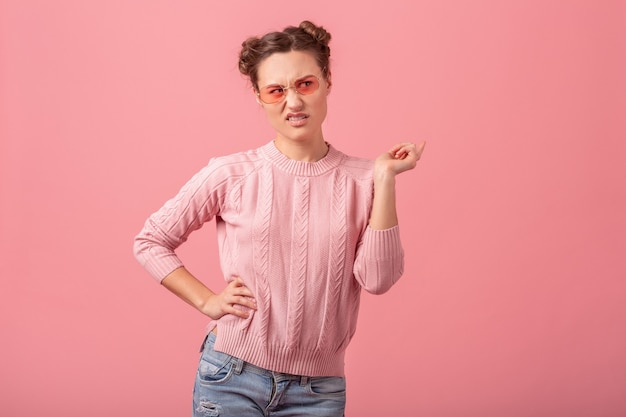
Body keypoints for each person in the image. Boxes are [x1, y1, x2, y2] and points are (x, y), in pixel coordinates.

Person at [134, 20, 425, 417]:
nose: (293, 102)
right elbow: (151, 241)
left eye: (305, 84)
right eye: (276, 90)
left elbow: (378, 279)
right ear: (259, 96)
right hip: (230, 376)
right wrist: (207, 300)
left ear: (327, 82)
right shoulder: (231, 173)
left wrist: (385, 178)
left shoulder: (364, 180)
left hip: (318, 391)